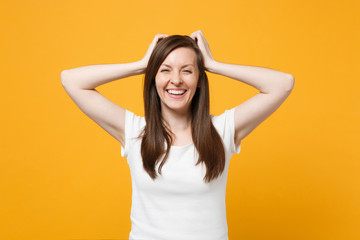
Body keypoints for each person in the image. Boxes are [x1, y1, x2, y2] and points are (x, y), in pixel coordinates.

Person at [61, 30, 294, 240]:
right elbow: (71, 80)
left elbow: (283, 84)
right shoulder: (133, 131)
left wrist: (213, 64)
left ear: (200, 80)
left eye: (187, 70)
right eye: (165, 70)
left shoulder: (222, 131)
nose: (176, 80)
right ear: (153, 78)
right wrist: (142, 64)